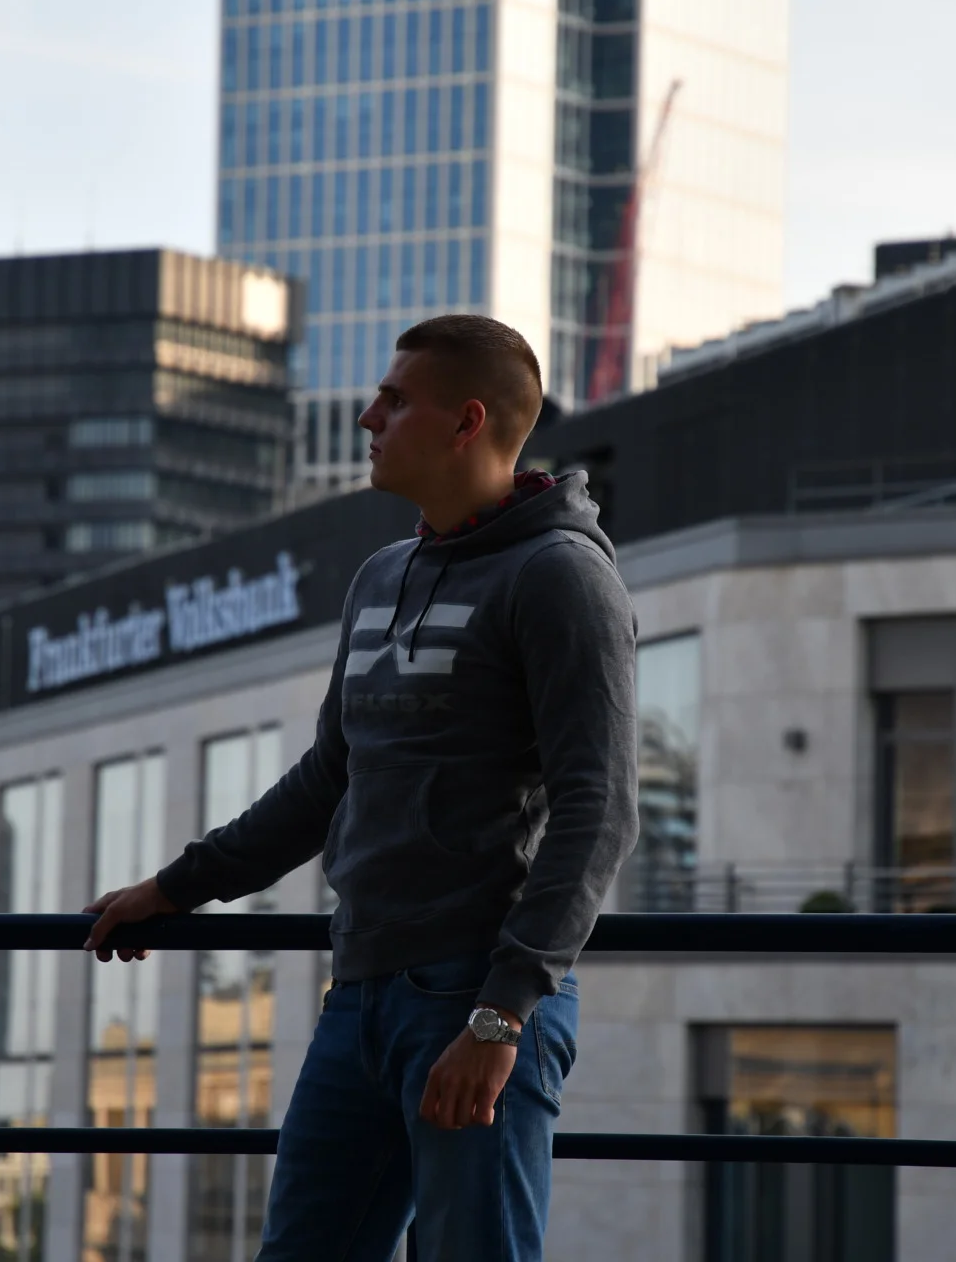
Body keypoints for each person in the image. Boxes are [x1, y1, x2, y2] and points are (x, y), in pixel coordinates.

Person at [85, 314, 639, 1261]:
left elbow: (600, 811)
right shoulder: (384, 575)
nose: (365, 416)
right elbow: (327, 779)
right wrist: (174, 889)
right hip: (362, 997)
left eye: (393, 400)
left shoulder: (560, 577)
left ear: (466, 423)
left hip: (474, 996)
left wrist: (502, 1013)